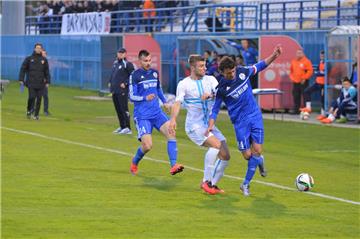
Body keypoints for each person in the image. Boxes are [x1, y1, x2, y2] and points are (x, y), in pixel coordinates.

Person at [207, 45, 282, 196]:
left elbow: (259, 66)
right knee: (248, 155)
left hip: (254, 116)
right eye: (229, 73)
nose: (232, 74)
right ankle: (259, 161)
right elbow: (215, 108)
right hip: (240, 123)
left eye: (233, 71)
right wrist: (211, 125)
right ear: (222, 73)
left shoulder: (242, 72)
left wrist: (274, 55)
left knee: (258, 150)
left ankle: (245, 184)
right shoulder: (222, 87)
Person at [169, 55, 230, 195]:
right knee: (216, 145)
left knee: (225, 155)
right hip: (194, 126)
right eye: (201, 66)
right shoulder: (184, 84)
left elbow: (221, 92)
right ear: (192, 67)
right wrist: (173, 120)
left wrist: (211, 95)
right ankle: (206, 181)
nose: (205, 68)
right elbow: (177, 103)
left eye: (205, 65)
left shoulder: (211, 80)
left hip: (209, 125)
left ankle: (213, 185)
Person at [129, 50, 184, 175]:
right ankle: (135, 162)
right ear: (140, 61)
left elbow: (158, 89)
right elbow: (131, 96)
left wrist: (164, 102)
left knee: (171, 133)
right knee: (147, 146)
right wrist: (144, 98)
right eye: (145, 61)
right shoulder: (135, 75)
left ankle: (173, 165)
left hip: (157, 113)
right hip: (142, 116)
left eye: (150, 60)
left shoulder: (155, 73)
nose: (148, 63)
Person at [19, 43, 50, 120]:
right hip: (31, 82)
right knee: (32, 97)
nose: (38, 49)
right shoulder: (29, 59)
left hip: (40, 83)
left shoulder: (44, 60)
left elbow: (47, 72)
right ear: (34, 49)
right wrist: (21, 79)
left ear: (41, 50)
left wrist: (48, 82)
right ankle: (29, 110)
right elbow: (23, 69)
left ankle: (36, 115)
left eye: (40, 48)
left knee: (39, 99)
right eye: (37, 48)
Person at [108, 48, 134, 134]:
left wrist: (126, 83)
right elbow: (113, 74)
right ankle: (122, 126)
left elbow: (132, 76)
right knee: (118, 109)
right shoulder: (115, 63)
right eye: (119, 53)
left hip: (122, 91)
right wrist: (110, 83)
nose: (120, 54)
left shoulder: (127, 64)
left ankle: (128, 127)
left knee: (124, 108)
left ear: (125, 54)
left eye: (122, 53)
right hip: (115, 90)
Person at [301, 50, 325, 119]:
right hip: (318, 82)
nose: (321, 57)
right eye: (321, 55)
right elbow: (317, 71)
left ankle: (323, 114)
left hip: (324, 84)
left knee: (323, 98)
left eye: (323, 56)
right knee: (306, 91)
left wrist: (319, 73)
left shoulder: (328, 63)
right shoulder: (320, 62)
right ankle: (308, 108)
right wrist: (319, 72)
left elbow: (323, 73)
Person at [289, 49, 313, 114]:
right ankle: (296, 110)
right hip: (295, 82)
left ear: (303, 54)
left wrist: (304, 78)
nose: (298, 54)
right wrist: (292, 78)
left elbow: (310, 71)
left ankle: (306, 110)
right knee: (296, 96)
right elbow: (291, 71)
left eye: (300, 53)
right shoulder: (294, 61)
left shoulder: (306, 61)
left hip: (303, 82)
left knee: (305, 95)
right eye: (297, 53)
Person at [41, 48, 51, 116]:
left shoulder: (46, 62)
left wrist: (47, 82)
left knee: (45, 96)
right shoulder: (36, 61)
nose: (44, 55)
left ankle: (46, 111)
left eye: (45, 54)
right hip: (37, 82)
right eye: (43, 53)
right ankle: (32, 109)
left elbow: (47, 73)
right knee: (35, 96)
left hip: (44, 83)